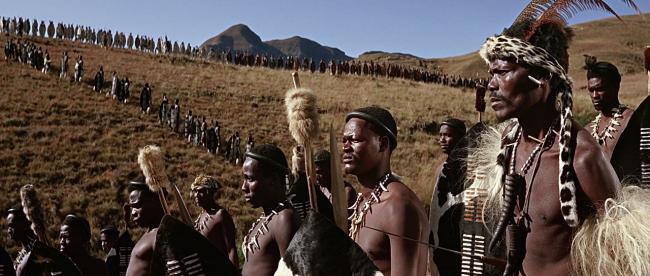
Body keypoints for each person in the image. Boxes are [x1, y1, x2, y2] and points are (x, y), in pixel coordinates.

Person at [474, 5, 647, 274]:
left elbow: (622, 258)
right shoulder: (507, 148)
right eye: (491, 73)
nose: (492, 85)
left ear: (542, 78)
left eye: (504, 72)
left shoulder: (582, 156)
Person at [343, 106, 429, 276]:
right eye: (343, 140)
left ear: (382, 144)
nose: (346, 147)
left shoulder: (398, 206)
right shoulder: (362, 201)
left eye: (354, 140)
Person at [240, 144, 299, 276]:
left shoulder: (284, 219)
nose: (244, 187)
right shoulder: (268, 218)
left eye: (250, 179)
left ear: (272, 180)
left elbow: (292, 273)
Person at [429, 118, 467, 276]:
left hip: (460, 235)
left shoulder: (469, 168)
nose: (442, 139)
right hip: (441, 233)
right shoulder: (441, 168)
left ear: (461, 138)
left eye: (448, 135)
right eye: (440, 135)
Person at [582, 58, 635, 159]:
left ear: (615, 87)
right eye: (591, 90)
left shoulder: (632, 120)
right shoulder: (588, 131)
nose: (595, 95)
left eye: (600, 89)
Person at [190, 174, 239, 267]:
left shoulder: (221, 215)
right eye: (195, 191)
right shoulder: (200, 218)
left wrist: (233, 272)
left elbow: (231, 249)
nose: (196, 195)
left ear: (211, 193)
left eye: (201, 191)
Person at [124, 180, 165, 276]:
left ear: (156, 200)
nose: (133, 213)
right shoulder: (150, 234)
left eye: (137, 205)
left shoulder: (163, 235)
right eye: (132, 208)